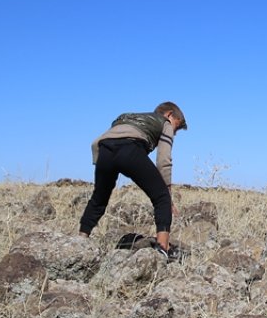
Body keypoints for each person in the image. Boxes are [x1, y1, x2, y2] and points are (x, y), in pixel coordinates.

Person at [78, 102, 187, 252]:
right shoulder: (165, 123)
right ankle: (163, 250)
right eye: (177, 127)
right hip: (130, 149)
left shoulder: (127, 117)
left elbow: (96, 142)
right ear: (169, 115)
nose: (174, 133)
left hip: (104, 151)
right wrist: (168, 192)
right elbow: (163, 160)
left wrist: (101, 164)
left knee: (99, 198)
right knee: (162, 198)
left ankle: (81, 240)